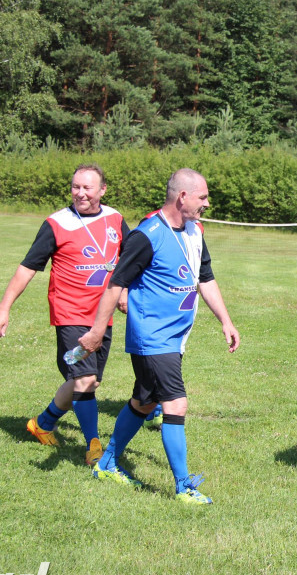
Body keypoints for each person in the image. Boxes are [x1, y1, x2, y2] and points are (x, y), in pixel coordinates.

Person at [79, 168, 239, 505]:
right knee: (175, 403)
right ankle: (184, 487)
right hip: (152, 336)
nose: (207, 204)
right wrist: (96, 331)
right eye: (203, 197)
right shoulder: (147, 235)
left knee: (144, 401)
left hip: (176, 337)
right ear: (183, 197)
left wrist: (225, 320)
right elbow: (115, 285)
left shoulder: (195, 232)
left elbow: (205, 278)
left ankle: (107, 463)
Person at [0, 164, 128, 465]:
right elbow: (28, 267)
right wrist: (4, 308)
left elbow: (130, 258)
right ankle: (94, 448)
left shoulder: (115, 219)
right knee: (85, 378)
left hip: (101, 314)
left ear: (102, 190)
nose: (80, 193)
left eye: (87, 188)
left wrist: (126, 292)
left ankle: (42, 423)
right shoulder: (56, 223)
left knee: (88, 381)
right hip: (70, 313)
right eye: (75, 186)